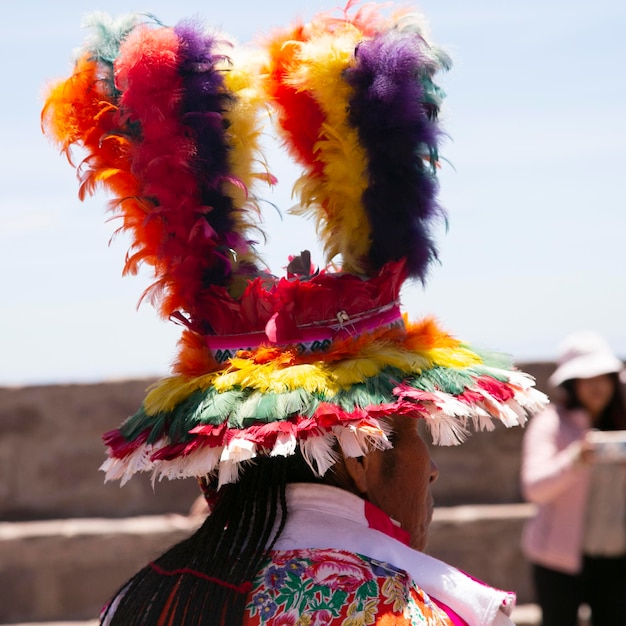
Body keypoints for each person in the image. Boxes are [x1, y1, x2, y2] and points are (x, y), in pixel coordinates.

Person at [42, 5, 547, 625]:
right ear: (360, 455)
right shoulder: (411, 608)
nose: (433, 467)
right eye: (413, 433)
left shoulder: (140, 601)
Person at [521, 331, 626, 626]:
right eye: (586, 378)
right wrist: (574, 460)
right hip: (557, 560)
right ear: (571, 384)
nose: (597, 386)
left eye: (603, 377)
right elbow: (533, 488)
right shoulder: (550, 424)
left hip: (616, 557)